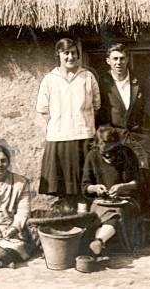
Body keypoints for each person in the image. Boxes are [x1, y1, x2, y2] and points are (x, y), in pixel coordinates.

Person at [95, 43, 150, 241]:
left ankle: (147, 235)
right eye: (115, 59)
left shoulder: (140, 82)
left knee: (144, 181)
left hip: (139, 140)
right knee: (117, 182)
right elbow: (100, 115)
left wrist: (146, 139)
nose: (119, 62)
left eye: (122, 58)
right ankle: (118, 236)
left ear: (127, 59)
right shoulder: (103, 84)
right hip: (115, 141)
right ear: (108, 61)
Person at [36, 38, 101, 210]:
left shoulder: (87, 77)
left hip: (84, 138)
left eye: (73, 53)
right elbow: (42, 109)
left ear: (78, 55)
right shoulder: (49, 80)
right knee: (63, 191)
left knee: (82, 190)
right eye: (66, 53)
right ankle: (67, 228)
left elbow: (97, 104)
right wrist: (60, 123)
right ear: (59, 54)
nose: (70, 57)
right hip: (59, 139)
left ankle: (83, 226)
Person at [82, 126, 142, 255]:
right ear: (97, 144)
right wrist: (96, 188)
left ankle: (98, 241)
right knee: (104, 213)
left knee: (117, 212)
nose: (109, 155)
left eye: (112, 149)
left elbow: (138, 183)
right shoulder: (92, 156)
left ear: (117, 145)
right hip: (100, 201)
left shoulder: (127, 154)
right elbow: (85, 186)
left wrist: (122, 187)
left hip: (126, 200)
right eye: (104, 150)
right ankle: (98, 243)